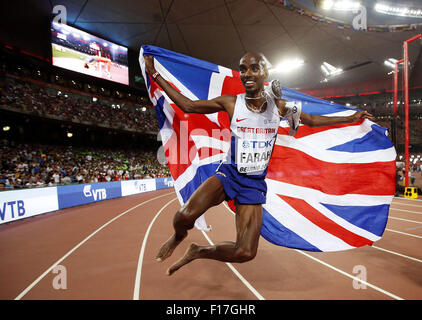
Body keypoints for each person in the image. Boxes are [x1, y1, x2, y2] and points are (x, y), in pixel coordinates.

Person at [144, 52, 374, 276]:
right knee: (183, 216)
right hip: (230, 174)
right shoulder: (232, 102)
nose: (248, 73)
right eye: (243, 69)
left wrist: (351, 117)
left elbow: (312, 121)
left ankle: (199, 251)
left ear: (265, 72)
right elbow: (188, 105)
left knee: (245, 252)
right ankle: (179, 236)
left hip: (253, 184)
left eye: (254, 67)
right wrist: (155, 74)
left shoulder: (280, 107)